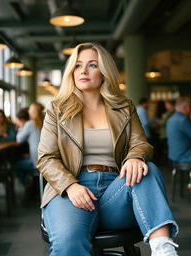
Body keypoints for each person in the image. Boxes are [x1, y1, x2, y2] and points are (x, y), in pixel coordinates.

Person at [37, 42, 179, 256]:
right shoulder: (57, 109)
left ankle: (164, 251)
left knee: (146, 168)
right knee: (68, 243)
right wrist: (70, 185)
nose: (83, 71)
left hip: (116, 189)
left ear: (104, 71)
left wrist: (134, 157)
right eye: (77, 65)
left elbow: (141, 144)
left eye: (92, 65)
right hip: (71, 190)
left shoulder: (123, 107)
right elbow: (46, 157)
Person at [13, 103, 44, 189]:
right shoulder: (44, 121)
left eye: (30, 109)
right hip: (45, 159)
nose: (28, 111)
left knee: (15, 166)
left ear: (34, 112)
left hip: (36, 162)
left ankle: (29, 187)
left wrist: (20, 126)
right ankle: (33, 185)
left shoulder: (30, 123)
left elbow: (19, 139)